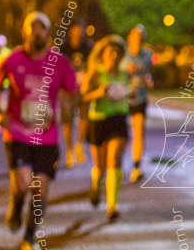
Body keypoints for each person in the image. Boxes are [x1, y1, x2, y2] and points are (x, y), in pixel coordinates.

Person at [0, 12, 78, 250]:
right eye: (32, 28)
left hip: (47, 137)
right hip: (17, 133)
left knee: (41, 189)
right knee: (23, 182)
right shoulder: (13, 59)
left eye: (42, 28)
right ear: (25, 32)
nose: (37, 33)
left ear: (48, 33)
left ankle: (29, 236)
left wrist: (65, 109)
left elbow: (72, 94)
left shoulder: (60, 62)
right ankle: (16, 206)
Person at [82, 35, 131, 221]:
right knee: (101, 167)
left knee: (115, 160)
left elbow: (131, 94)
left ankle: (112, 205)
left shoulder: (126, 75)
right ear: (103, 55)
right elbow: (83, 96)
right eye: (111, 53)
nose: (114, 56)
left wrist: (133, 94)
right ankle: (96, 182)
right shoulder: (96, 74)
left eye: (118, 53)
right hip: (99, 120)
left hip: (119, 119)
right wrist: (98, 93)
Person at [121, 25, 154, 182]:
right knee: (121, 135)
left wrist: (148, 80)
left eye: (140, 37)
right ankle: (116, 166)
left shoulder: (147, 55)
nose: (137, 39)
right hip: (122, 99)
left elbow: (149, 74)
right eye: (135, 36)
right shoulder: (122, 55)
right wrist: (126, 73)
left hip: (140, 97)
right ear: (130, 38)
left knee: (138, 132)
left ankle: (136, 166)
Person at [60, 21, 94, 167]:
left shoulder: (89, 47)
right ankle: (69, 151)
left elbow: (93, 66)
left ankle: (79, 144)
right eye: (75, 31)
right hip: (67, 91)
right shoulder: (64, 48)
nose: (78, 35)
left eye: (81, 32)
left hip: (83, 89)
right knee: (67, 122)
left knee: (84, 118)